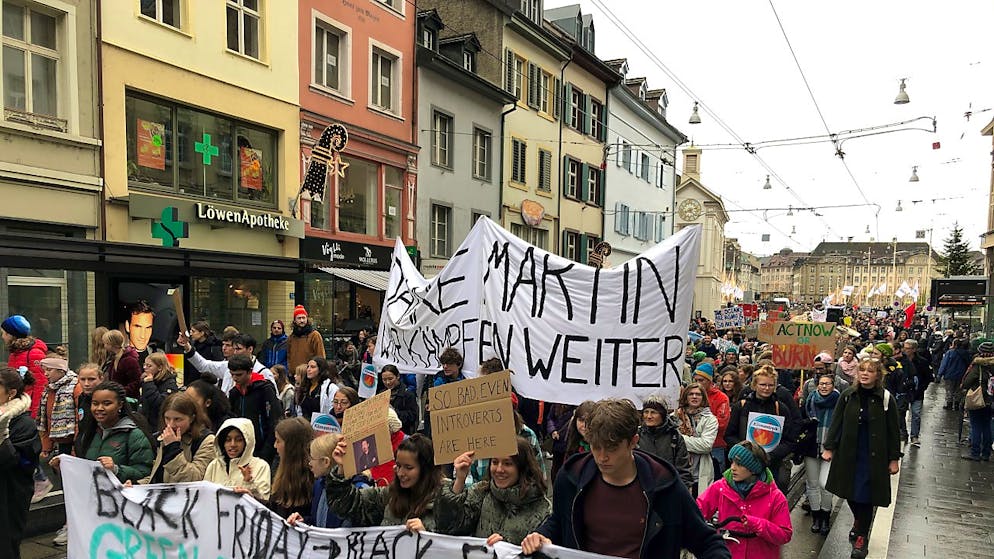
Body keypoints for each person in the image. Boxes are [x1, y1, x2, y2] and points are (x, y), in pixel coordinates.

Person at [521, 398, 730, 559]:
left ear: (633, 441)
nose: (602, 457)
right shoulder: (572, 477)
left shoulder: (664, 484)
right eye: (596, 446)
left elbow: (706, 540)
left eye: (611, 448)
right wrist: (541, 534)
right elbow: (560, 521)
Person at [822, 358, 901, 559]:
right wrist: (829, 447)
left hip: (873, 456)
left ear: (878, 375)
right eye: (862, 370)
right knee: (849, 492)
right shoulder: (848, 395)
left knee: (866, 496)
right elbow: (836, 423)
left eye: (870, 371)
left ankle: (861, 537)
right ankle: (859, 521)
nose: (865, 374)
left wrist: (893, 459)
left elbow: (894, 431)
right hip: (849, 453)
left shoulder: (885, 398)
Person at [324, 433, 455, 532]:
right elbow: (349, 505)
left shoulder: (447, 500)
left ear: (426, 469)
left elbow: (454, 544)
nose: (401, 473)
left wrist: (427, 537)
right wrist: (341, 470)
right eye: (398, 466)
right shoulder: (390, 494)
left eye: (408, 468)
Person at [442, 437, 552, 546]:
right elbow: (450, 528)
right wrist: (460, 480)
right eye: (495, 462)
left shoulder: (542, 509)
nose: (499, 469)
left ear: (522, 468)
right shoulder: (481, 492)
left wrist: (506, 548)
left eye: (507, 463)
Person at [696, 441, 793, 559]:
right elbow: (697, 512)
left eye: (739, 464)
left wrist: (757, 524)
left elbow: (784, 535)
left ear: (753, 469)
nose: (732, 468)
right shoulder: (720, 488)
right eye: (732, 462)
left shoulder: (776, 497)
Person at [725, 365, 800, 492]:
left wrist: (770, 456)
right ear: (754, 385)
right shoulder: (742, 406)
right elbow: (729, 435)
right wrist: (745, 452)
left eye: (770, 385)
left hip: (770, 466)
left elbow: (789, 440)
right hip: (743, 465)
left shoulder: (781, 409)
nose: (766, 388)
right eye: (763, 384)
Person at [62, 381, 154, 483]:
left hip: (120, 496)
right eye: (95, 403)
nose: (99, 408)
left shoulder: (134, 434)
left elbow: (144, 472)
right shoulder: (90, 432)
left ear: (120, 405)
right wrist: (64, 466)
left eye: (107, 404)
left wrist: (116, 469)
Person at [0, 366, 41, 559]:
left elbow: (17, 462)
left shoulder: (24, 424)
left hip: (9, 496)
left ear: (11, 393)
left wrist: (2, 436)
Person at [137, 392, 216, 483]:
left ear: (192, 418)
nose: (171, 425)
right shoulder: (165, 437)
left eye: (177, 419)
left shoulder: (207, 441)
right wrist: (137, 485)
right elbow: (158, 476)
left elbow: (195, 478)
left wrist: (173, 450)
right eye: (167, 418)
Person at [799, 372, 840, 535]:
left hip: (830, 448)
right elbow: (800, 422)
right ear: (817, 385)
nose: (824, 386)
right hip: (812, 447)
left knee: (826, 484)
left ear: (833, 385)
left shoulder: (839, 402)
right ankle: (816, 517)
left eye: (827, 383)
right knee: (812, 483)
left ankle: (825, 515)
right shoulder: (809, 401)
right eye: (821, 383)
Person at [226, 354, 282, 462]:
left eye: (239, 375)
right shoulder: (234, 393)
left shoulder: (265, 390)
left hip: (262, 449)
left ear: (250, 371)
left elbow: (275, 420)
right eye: (232, 374)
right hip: (240, 449)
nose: (235, 378)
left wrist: (267, 452)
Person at [287, 433, 349, 528]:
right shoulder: (319, 485)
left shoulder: (352, 492)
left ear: (325, 462)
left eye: (312, 458)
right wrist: (303, 522)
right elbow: (316, 522)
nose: (309, 463)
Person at [178, 332, 275, 393]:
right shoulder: (226, 366)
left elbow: (274, 403)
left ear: (250, 349)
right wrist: (187, 347)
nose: (236, 353)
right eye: (234, 349)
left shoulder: (263, 372)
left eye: (239, 349)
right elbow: (203, 365)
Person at [203, 417, 272, 500]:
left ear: (247, 442)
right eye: (228, 440)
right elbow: (204, 496)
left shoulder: (261, 466)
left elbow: (263, 501)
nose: (232, 444)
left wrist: (249, 482)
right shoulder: (214, 466)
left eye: (238, 440)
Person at [637, 395, 694, 490]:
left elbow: (684, 471)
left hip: (668, 490)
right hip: (643, 490)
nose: (649, 416)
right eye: (646, 412)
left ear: (662, 415)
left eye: (653, 412)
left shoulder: (674, 437)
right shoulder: (637, 436)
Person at [673, 382, 719, 496]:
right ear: (685, 397)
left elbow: (705, 445)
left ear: (703, 398)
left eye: (698, 394)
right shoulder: (674, 417)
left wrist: (679, 439)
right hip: (678, 471)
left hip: (698, 471)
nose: (694, 397)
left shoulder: (710, 420)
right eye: (691, 394)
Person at [2, 315, 48, 420]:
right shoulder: (15, 353)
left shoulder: (34, 353)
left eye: (4, 333)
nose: (2, 337)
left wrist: (36, 413)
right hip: (18, 405)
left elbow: (40, 384)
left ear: (11, 335)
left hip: (28, 408)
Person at [269, 417, 315, 518]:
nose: (275, 445)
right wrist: (251, 498)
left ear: (291, 446)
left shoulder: (314, 480)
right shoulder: (279, 468)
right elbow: (273, 508)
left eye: (278, 441)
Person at [693, 362, 731, 473]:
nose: (698, 383)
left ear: (709, 380)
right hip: (694, 446)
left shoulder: (721, 398)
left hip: (715, 446)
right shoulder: (692, 395)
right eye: (696, 380)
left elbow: (722, 424)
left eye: (701, 380)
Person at [38, 358, 78, 459]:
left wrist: (76, 445)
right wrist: (46, 447)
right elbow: (46, 420)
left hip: (71, 441)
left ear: (61, 370)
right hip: (56, 440)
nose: (46, 374)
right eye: (44, 370)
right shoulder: (49, 389)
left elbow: (79, 418)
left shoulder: (75, 387)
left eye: (49, 370)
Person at [960, 341, 993, 461]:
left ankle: (975, 452)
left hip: (978, 399)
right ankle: (986, 453)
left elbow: (967, 382)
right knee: (987, 425)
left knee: (976, 426)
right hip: (991, 400)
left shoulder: (978, 366)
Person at [421, 347, 465, 439]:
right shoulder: (438, 379)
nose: (445, 366)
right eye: (443, 363)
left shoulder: (465, 380)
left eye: (449, 364)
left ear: (458, 365)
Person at [901, 339, 933, 448]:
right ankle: (903, 434)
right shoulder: (901, 361)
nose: (905, 350)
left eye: (908, 348)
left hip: (917, 392)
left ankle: (914, 436)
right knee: (901, 413)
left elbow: (928, 377)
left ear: (914, 349)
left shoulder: (922, 362)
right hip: (904, 392)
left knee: (916, 414)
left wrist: (922, 388)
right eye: (904, 347)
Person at [139, 353, 179, 426]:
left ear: (160, 367)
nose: (145, 367)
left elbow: (159, 403)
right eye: (144, 364)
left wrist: (149, 383)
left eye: (149, 366)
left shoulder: (170, 384)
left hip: (159, 423)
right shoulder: (148, 379)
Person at [102, 330, 142, 399]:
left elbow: (136, 382)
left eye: (105, 343)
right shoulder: (113, 359)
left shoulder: (129, 361)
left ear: (111, 344)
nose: (104, 346)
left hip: (128, 399)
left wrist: (120, 391)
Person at [380, 365, 418, 435]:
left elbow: (412, 417)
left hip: (403, 434)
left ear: (397, 376)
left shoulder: (408, 394)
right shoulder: (381, 394)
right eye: (384, 380)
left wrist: (393, 412)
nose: (387, 382)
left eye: (390, 379)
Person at [185, 321, 224, 386]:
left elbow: (217, 366)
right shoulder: (193, 346)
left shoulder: (214, 347)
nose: (191, 334)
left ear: (202, 333)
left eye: (193, 331)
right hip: (192, 382)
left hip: (207, 384)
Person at [287, 305, 325, 372]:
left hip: (310, 373)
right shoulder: (291, 337)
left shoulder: (315, 335)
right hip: (295, 374)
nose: (302, 320)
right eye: (299, 318)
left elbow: (320, 355)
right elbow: (289, 356)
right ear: (295, 320)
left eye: (303, 318)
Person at [937, 338, 970, 411]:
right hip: (961, 375)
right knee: (958, 390)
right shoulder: (966, 353)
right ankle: (956, 404)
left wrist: (939, 374)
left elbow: (944, 364)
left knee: (949, 390)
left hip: (950, 374)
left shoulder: (950, 353)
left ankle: (949, 404)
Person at [545, 403, 574, 480]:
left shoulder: (575, 407)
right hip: (558, 441)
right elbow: (550, 418)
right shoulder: (556, 405)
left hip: (571, 442)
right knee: (556, 467)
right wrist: (552, 430)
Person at [124, 300, 155, 367]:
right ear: (127, 326)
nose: (143, 336)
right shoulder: (117, 359)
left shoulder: (159, 356)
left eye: (148, 328)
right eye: (138, 327)